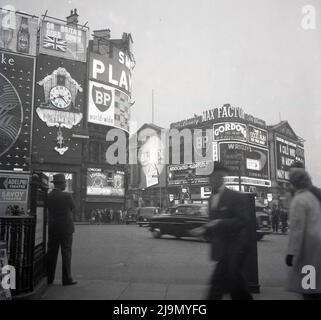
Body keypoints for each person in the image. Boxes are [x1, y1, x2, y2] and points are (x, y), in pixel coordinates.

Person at [191, 162, 253, 300]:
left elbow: (244, 220)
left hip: (236, 248)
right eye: (209, 177)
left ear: (220, 177)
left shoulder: (235, 196)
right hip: (223, 250)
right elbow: (213, 224)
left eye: (212, 177)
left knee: (218, 285)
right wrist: (203, 231)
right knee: (235, 286)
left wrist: (220, 222)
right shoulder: (210, 198)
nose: (210, 180)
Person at [285, 170, 321, 299]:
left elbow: (297, 229)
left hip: (308, 251)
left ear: (293, 183)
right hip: (317, 247)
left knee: (308, 288)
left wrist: (291, 253)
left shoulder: (299, 200)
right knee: (315, 287)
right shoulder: (312, 198)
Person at [46, 173, 77, 286]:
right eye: (64, 183)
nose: (65, 185)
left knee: (51, 253)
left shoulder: (49, 196)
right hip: (66, 229)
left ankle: (49, 278)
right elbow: (73, 208)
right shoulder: (67, 196)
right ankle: (67, 278)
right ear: (61, 184)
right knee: (66, 253)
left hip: (53, 227)